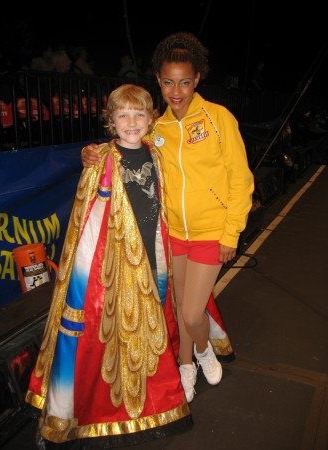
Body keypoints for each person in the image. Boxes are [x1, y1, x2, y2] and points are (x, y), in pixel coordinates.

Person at [81, 32, 255, 404]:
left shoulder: (218, 119)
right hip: (173, 232)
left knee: (193, 313)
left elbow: (241, 180)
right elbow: (123, 144)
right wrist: (91, 153)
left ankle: (204, 351)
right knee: (177, 308)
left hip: (211, 232)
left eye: (185, 82)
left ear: (197, 80)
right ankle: (186, 364)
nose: (177, 90)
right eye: (168, 82)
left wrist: (231, 234)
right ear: (158, 81)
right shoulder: (156, 128)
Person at [25, 84, 193, 448]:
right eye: (123, 116)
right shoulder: (101, 158)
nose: (131, 122)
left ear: (151, 120)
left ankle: (152, 404)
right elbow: (86, 221)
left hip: (153, 257)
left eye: (138, 115)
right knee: (100, 338)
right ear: (110, 121)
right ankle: (77, 412)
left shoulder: (156, 154)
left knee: (151, 329)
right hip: (107, 269)